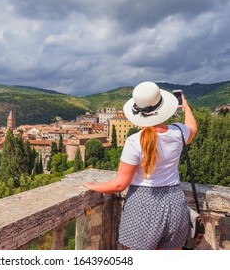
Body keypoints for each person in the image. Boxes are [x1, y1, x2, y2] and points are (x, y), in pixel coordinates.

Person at [84, 81, 197, 250]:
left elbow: (120, 184)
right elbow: (192, 128)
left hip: (143, 205)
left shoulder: (134, 141)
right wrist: (186, 109)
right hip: (175, 203)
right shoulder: (179, 132)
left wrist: (96, 186)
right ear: (163, 107)